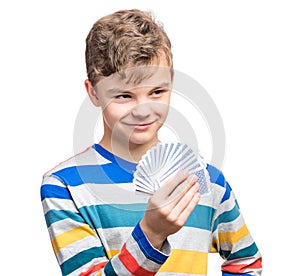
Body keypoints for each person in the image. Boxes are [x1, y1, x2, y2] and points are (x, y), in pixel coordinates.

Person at [40, 9, 262, 276]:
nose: (143, 111)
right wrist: (152, 233)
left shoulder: (207, 181)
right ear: (94, 93)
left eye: (157, 91)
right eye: (123, 96)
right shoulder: (65, 185)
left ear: (171, 83)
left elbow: (246, 262)